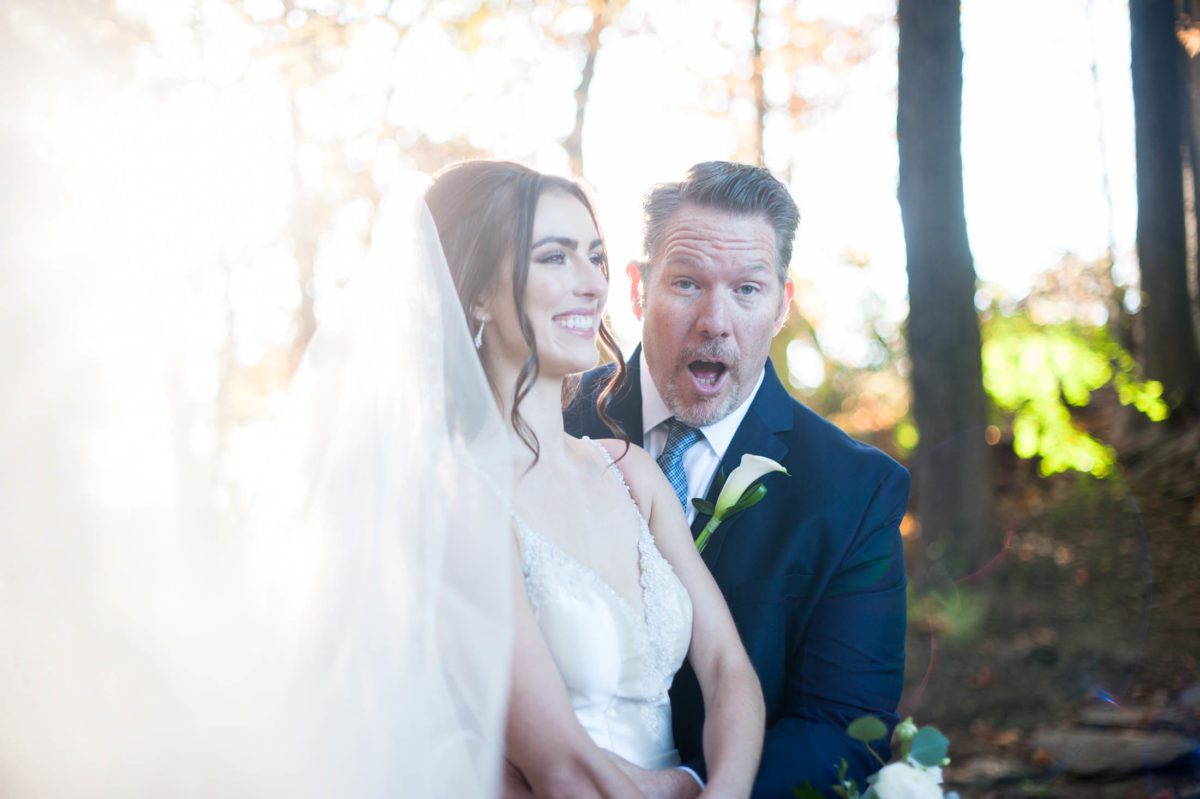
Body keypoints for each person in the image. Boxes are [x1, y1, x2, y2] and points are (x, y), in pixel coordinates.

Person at [565, 161, 910, 797]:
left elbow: (841, 729)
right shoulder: (544, 423)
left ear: (782, 305)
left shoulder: (856, 492)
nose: (714, 321)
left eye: (747, 289)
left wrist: (692, 789)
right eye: (687, 283)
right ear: (638, 289)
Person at [424, 160, 766, 798]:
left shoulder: (630, 472)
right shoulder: (461, 495)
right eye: (555, 257)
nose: (593, 284)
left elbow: (728, 670)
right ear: (475, 294)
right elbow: (557, 764)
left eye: (595, 256)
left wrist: (721, 791)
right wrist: (679, 789)